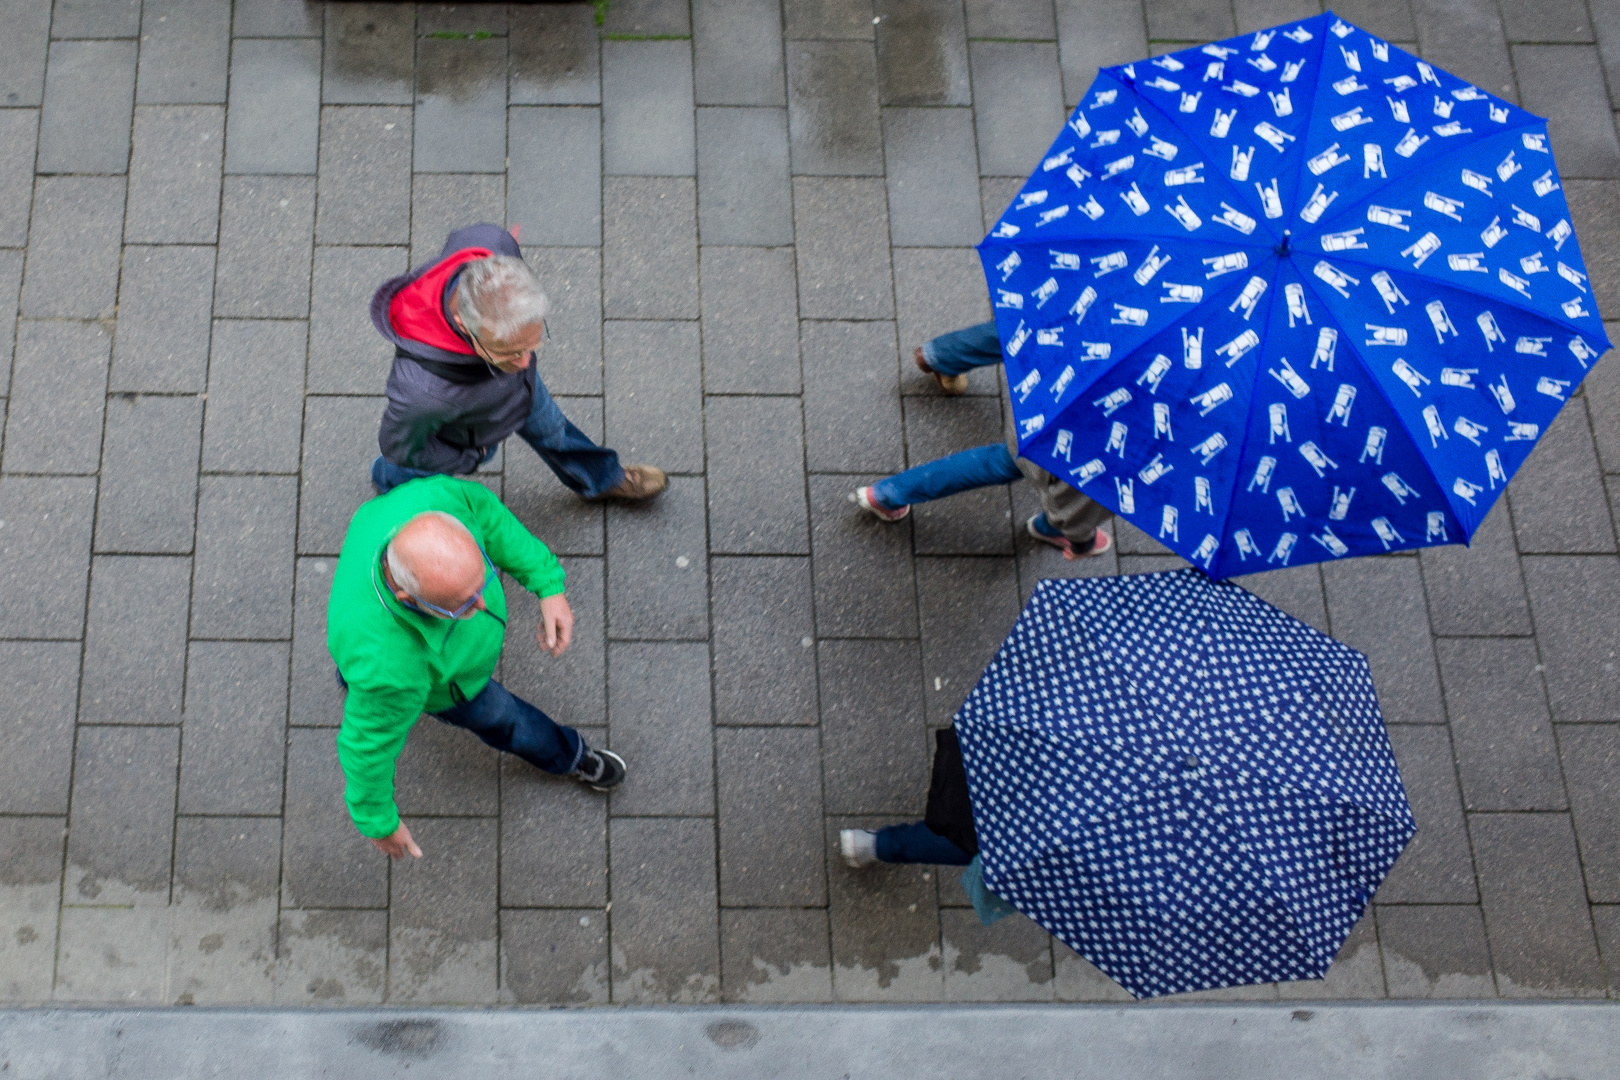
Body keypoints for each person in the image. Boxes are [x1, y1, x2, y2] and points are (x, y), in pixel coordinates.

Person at [328, 474, 625, 860]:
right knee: (504, 718)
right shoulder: (390, 668)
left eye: (482, 581)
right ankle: (570, 756)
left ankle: (352, 683)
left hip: (375, 658)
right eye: (461, 605)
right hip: (446, 686)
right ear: (407, 598)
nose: (482, 606)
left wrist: (548, 584)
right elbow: (365, 748)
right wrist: (378, 822)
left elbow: (489, 517)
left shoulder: (434, 496)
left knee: (368, 687)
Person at [369, 222, 666, 501]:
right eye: (508, 351)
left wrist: (509, 356)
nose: (525, 363)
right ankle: (392, 491)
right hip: (468, 432)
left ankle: (602, 478)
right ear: (462, 323)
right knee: (406, 474)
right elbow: (399, 446)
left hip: (522, 395)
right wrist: (469, 457)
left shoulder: (494, 243)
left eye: (532, 345)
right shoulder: (422, 394)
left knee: (556, 432)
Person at [855, 322, 1113, 559]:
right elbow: (1079, 504)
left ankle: (941, 355)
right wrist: (1081, 542)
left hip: (1037, 395)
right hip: (1053, 444)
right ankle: (886, 494)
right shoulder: (1137, 450)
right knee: (1003, 464)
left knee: (1035, 326)